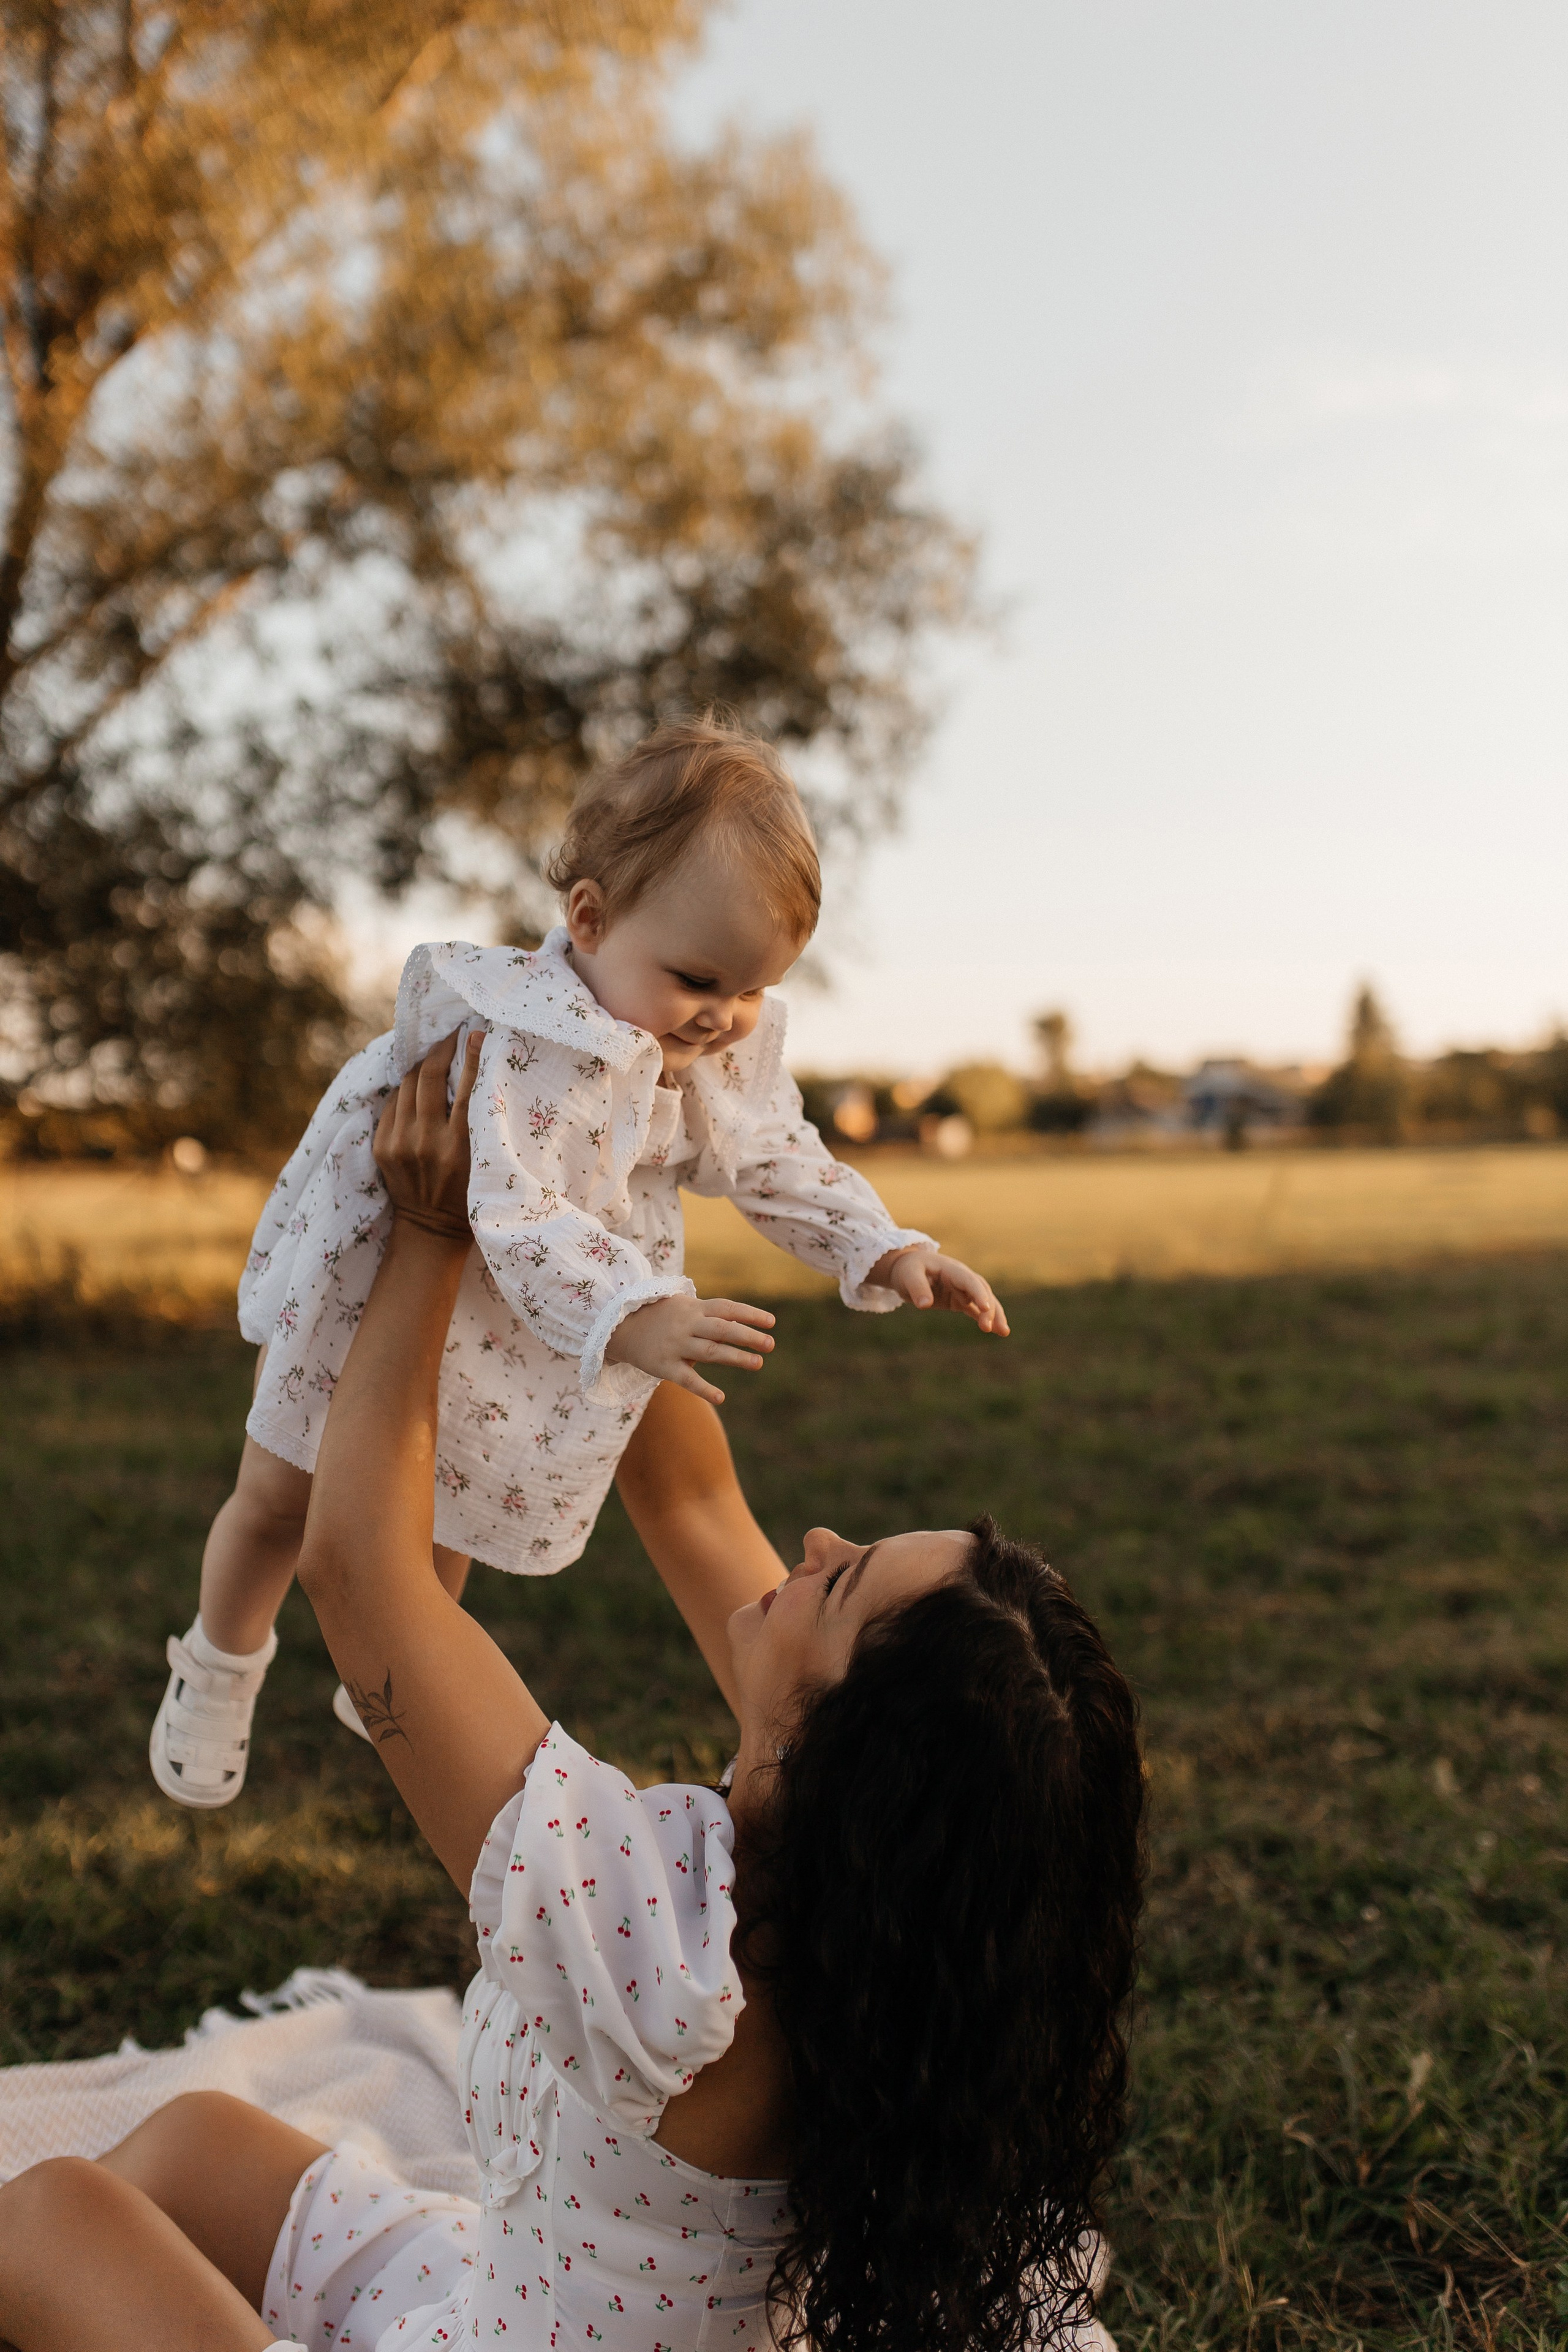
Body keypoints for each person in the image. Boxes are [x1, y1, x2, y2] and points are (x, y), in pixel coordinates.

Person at [0, 1038, 1145, 2352]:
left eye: (839, 1582)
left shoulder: (664, 1954)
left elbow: (360, 1574)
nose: (815, 1544)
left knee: (45, 2218)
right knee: (198, 2142)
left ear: (846, 1746)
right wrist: (586, 1202)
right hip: (518, 2294)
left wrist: (434, 1236)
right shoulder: (878, 1918)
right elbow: (689, 1495)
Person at [150, 716, 1009, 1809]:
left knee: (450, 1499)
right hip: (402, 1283)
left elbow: (772, 1154)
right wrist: (635, 1312)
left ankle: (398, 1661)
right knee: (280, 1491)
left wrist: (885, 1247)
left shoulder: (703, 1040)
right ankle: (221, 1661)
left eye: (753, 990)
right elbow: (513, 1205)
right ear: (590, 918)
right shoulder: (525, 1038)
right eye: (700, 978)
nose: (724, 1018)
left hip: (543, 1306)